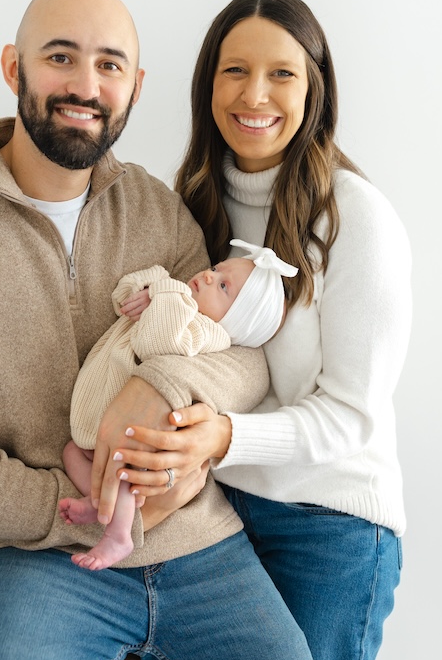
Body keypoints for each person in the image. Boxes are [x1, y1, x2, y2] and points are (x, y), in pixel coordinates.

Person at [0, 0, 356, 660]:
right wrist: (87, 512)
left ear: (135, 86)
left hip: (204, 551)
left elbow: (240, 357)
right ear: (12, 67)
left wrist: (161, 394)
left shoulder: (160, 210)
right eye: (60, 58)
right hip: (37, 566)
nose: (85, 86)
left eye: (110, 65)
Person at [100, 0, 411, 660]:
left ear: (315, 92)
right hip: (214, 517)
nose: (256, 95)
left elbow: (352, 416)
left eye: (282, 74)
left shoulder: (354, 218)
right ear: (209, 86)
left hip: (329, 529)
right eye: (234, 71)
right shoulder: (192, 210)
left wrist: (226, 436)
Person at [61, 241, 298, 570]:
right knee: (73, 453)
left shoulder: (206, 331)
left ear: (234, 321)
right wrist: (149, 288)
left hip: (142, 432)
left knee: (125, 469)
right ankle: (100, 503)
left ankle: (119, 535)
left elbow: (158, 342)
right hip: (101, 417)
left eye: (224, 287)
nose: (209, 277)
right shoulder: (177, 301)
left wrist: (166, 292)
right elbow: (123, 299)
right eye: (216, 269)